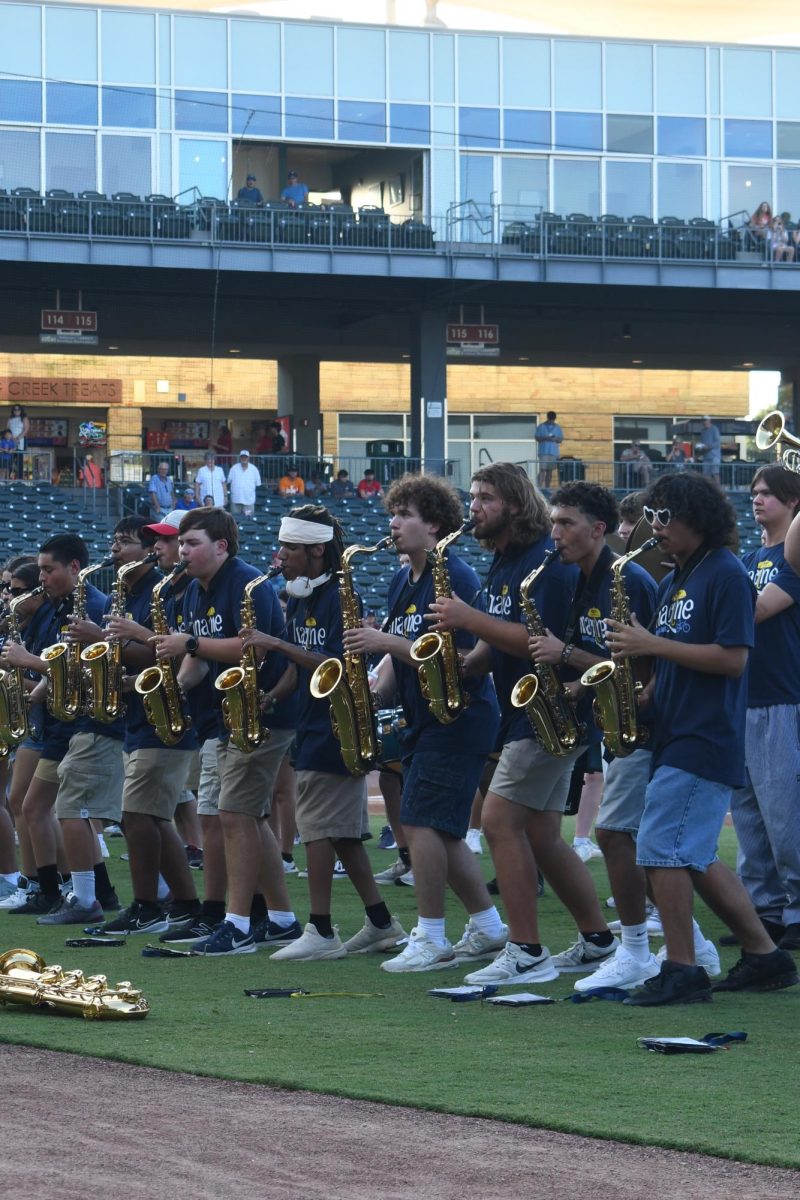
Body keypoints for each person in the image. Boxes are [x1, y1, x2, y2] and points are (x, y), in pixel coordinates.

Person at [606, 471, 797, 1005]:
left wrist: (652, 644)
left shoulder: (727, 574)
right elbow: (679, 661)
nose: (656, 526)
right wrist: (642, 696)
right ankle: (766, 956)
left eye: (667, 515)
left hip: (706, 735)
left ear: (699, 518)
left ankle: (682, 968)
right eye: (654, 515)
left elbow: (734, 660)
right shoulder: (672, 582)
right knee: (690, 853)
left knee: (659, 847)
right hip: (676, 730)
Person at [427, 463, 618, 986]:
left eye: (486, 497)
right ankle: (598, 939)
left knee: (498, 822)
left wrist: (468, 619)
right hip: (529, 713)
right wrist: (466, 663)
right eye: (473, 496)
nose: (474, 506)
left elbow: (543, 642)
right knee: (540, 833)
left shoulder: (545, 563)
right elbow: (503, 635)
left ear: (514, 503)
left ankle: (526, 950)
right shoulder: (507, 561)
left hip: (547, 712)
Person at [343, 474, 506, 973]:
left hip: (457, 714)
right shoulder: (401, 577)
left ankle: (431, 936)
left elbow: (464, 658)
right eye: (393, 514)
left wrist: (388, 646)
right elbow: (398, 651)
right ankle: (488, 926)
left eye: (405, 515)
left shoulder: (457, 577)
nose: (392, 523)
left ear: (434, 525)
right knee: (444, 831)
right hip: (423, 715)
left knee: (418, 822)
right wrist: (373, 685)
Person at [240, 504, 405, 961]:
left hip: (338, 723)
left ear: (316, 550)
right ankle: (380, 922)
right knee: (344, 835)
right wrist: (271, 695)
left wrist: (273, 643)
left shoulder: (338, 595)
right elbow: (299, 662)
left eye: (290, 548)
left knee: (315, 829)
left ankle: (321, 929)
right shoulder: (298, 594)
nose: (280, 556)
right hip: (312, 721)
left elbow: (337, 664)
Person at [152, 507, 300, 956]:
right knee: (244, 817)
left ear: (222, 545)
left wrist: (190, 644)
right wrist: (173, 688)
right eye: (180, 543)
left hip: (260, 712)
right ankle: (281, 918)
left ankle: (237, 924)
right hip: (222, 717)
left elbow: (248, 648)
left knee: (236, 815)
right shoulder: (196, 589)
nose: (182, 551)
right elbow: (199, 657)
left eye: (192, 543)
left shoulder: (245, 581)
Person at [87, 517, 200, 935]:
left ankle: (148, 906)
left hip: (165, 716)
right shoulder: (139, 591)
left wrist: (135, 635)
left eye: (127, 543)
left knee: (136, 815)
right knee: (151, 817)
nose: (119, 550)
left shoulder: (172, 590)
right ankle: (183, 903)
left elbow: (177, 651)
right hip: (139, 714)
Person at [730, 465, 800, 952]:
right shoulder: (749, 556)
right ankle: (765, 912)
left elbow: (754, 612)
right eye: (754, 492)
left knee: (786, 818)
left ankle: (796, 911)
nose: (757, 500)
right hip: (744, 699)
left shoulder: (792, 560)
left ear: (793, 504)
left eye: (769, 494)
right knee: (751, 820)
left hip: (783, 698)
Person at [227, 450, 262, 517]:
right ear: (240, 458)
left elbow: (258, 484)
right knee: (235, 520)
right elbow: (228, 481)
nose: (244, 459)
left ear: (248, 458)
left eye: (246, 457)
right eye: (242, 457)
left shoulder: (254, 469)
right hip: (236, 500)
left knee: (248, 520)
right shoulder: (234, 468)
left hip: (249, 501)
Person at [534, 411, 563, 488]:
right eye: (550, 419)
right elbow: (537, 438)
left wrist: (555, 438)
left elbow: (560, 440)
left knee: (549, 471)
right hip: (544, 452)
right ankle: (538, 487)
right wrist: (546, 437)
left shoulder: (557, 427)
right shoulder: (541, 426)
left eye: (553, 420)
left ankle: (547, 488)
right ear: (547, 418)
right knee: (542, 470)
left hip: (553, 452)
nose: (551, 421)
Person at [695, 416, 721, 486]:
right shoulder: (703, 431)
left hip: (714, 456)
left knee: (715, 474)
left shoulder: (714, 429)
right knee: (706, 476)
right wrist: (699, 450)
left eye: (705, 420)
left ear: (709, 420)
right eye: (703, 420)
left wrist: (708, 446)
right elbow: (702, 444)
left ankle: (719, 491)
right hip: (706, 457)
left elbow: (717, 443)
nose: (704, 422)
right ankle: (708, 491)